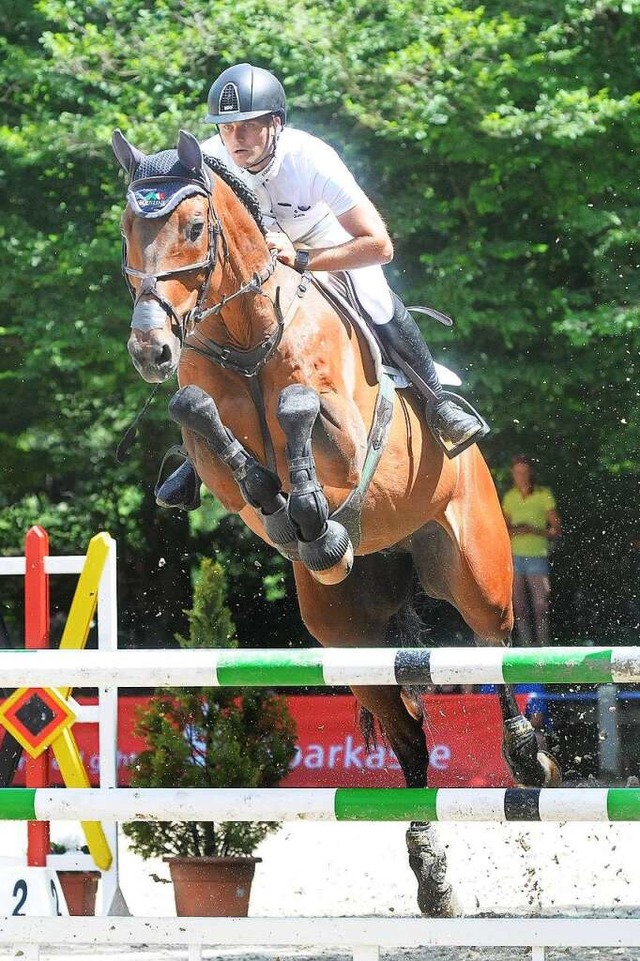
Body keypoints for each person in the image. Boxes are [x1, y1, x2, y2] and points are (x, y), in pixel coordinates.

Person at [157, 63, 489, 510]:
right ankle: (197, 456)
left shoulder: (311, 158)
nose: (236, 138)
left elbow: (379, 244)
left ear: (275, 124)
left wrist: (305, 259)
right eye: (228, 127)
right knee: (204, 315)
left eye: (249, 126)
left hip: (328, 248)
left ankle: (436, 402)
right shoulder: (210, 160)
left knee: (374, 295)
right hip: (258, 268)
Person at [502, 456, 562, 646]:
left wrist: (534, 530)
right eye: (518, 473)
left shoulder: (543, 494)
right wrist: (519, 529)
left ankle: (544, 646)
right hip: (515, 556)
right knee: (518, 606)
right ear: (513, 474)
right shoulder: (510, 497)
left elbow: (556, 529)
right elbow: (502, 530)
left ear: (531, 473)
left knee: (540, 605)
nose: (521, 476)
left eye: (524, 472)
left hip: (537, 556)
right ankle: (526, 646)